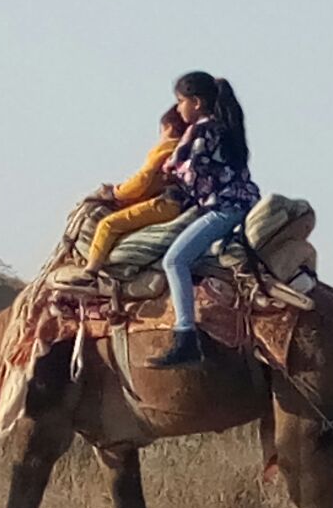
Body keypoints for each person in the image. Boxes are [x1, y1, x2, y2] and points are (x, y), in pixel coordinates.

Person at [148, 71, 261, 369]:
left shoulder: (202, 130)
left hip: (223, 209)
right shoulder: (223, 129)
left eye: (180, 101)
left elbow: (188, 170)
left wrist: (165, 171)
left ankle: (185, 336)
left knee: (174, 261)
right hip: (237, 204)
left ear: (196, 103)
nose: (178, 109)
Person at [84, 105, 189, 273]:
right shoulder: (185, 148)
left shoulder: (167, 147)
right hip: (180, 203)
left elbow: (141, 181)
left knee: (107, 225)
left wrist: (116, 192)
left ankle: (91, 269)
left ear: (168, 128)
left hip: (166, 203)